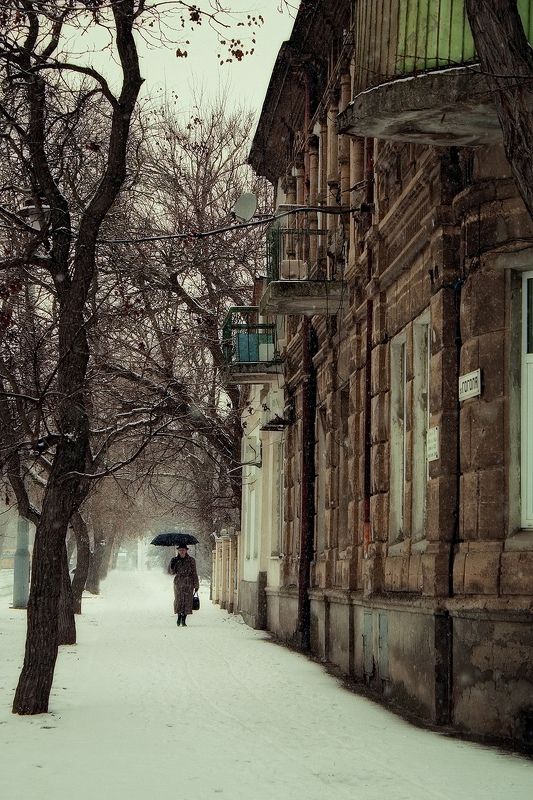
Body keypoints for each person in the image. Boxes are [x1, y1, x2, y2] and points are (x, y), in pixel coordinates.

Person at [168, 545, 199, 627]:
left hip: (189, 583)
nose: (182, 551)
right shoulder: (175, 560)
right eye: (180, 550)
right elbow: (171, 572)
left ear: (186, 550)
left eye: (183, 550)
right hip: (178, 583)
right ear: (178, 551)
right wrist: (172, 564)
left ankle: (184, 620)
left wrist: (196, 585)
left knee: (187, 601)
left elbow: (194, 573)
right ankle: (179, 617)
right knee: (179, 600)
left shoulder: (191, 560)